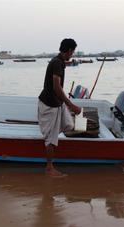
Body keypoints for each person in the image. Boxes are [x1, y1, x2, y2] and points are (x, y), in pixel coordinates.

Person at [38, 38, 81, 178]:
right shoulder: (57, 63)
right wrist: (71, 105)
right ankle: (49, 168)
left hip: (57, 103)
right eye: (72, 52)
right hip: (49, 104)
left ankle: (53, 135)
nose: (72, 54)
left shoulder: (59, 62)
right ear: (68, 50)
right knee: (51, 139)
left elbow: (57, 88)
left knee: (68, 124)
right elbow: (56, 87)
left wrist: (65, 104)